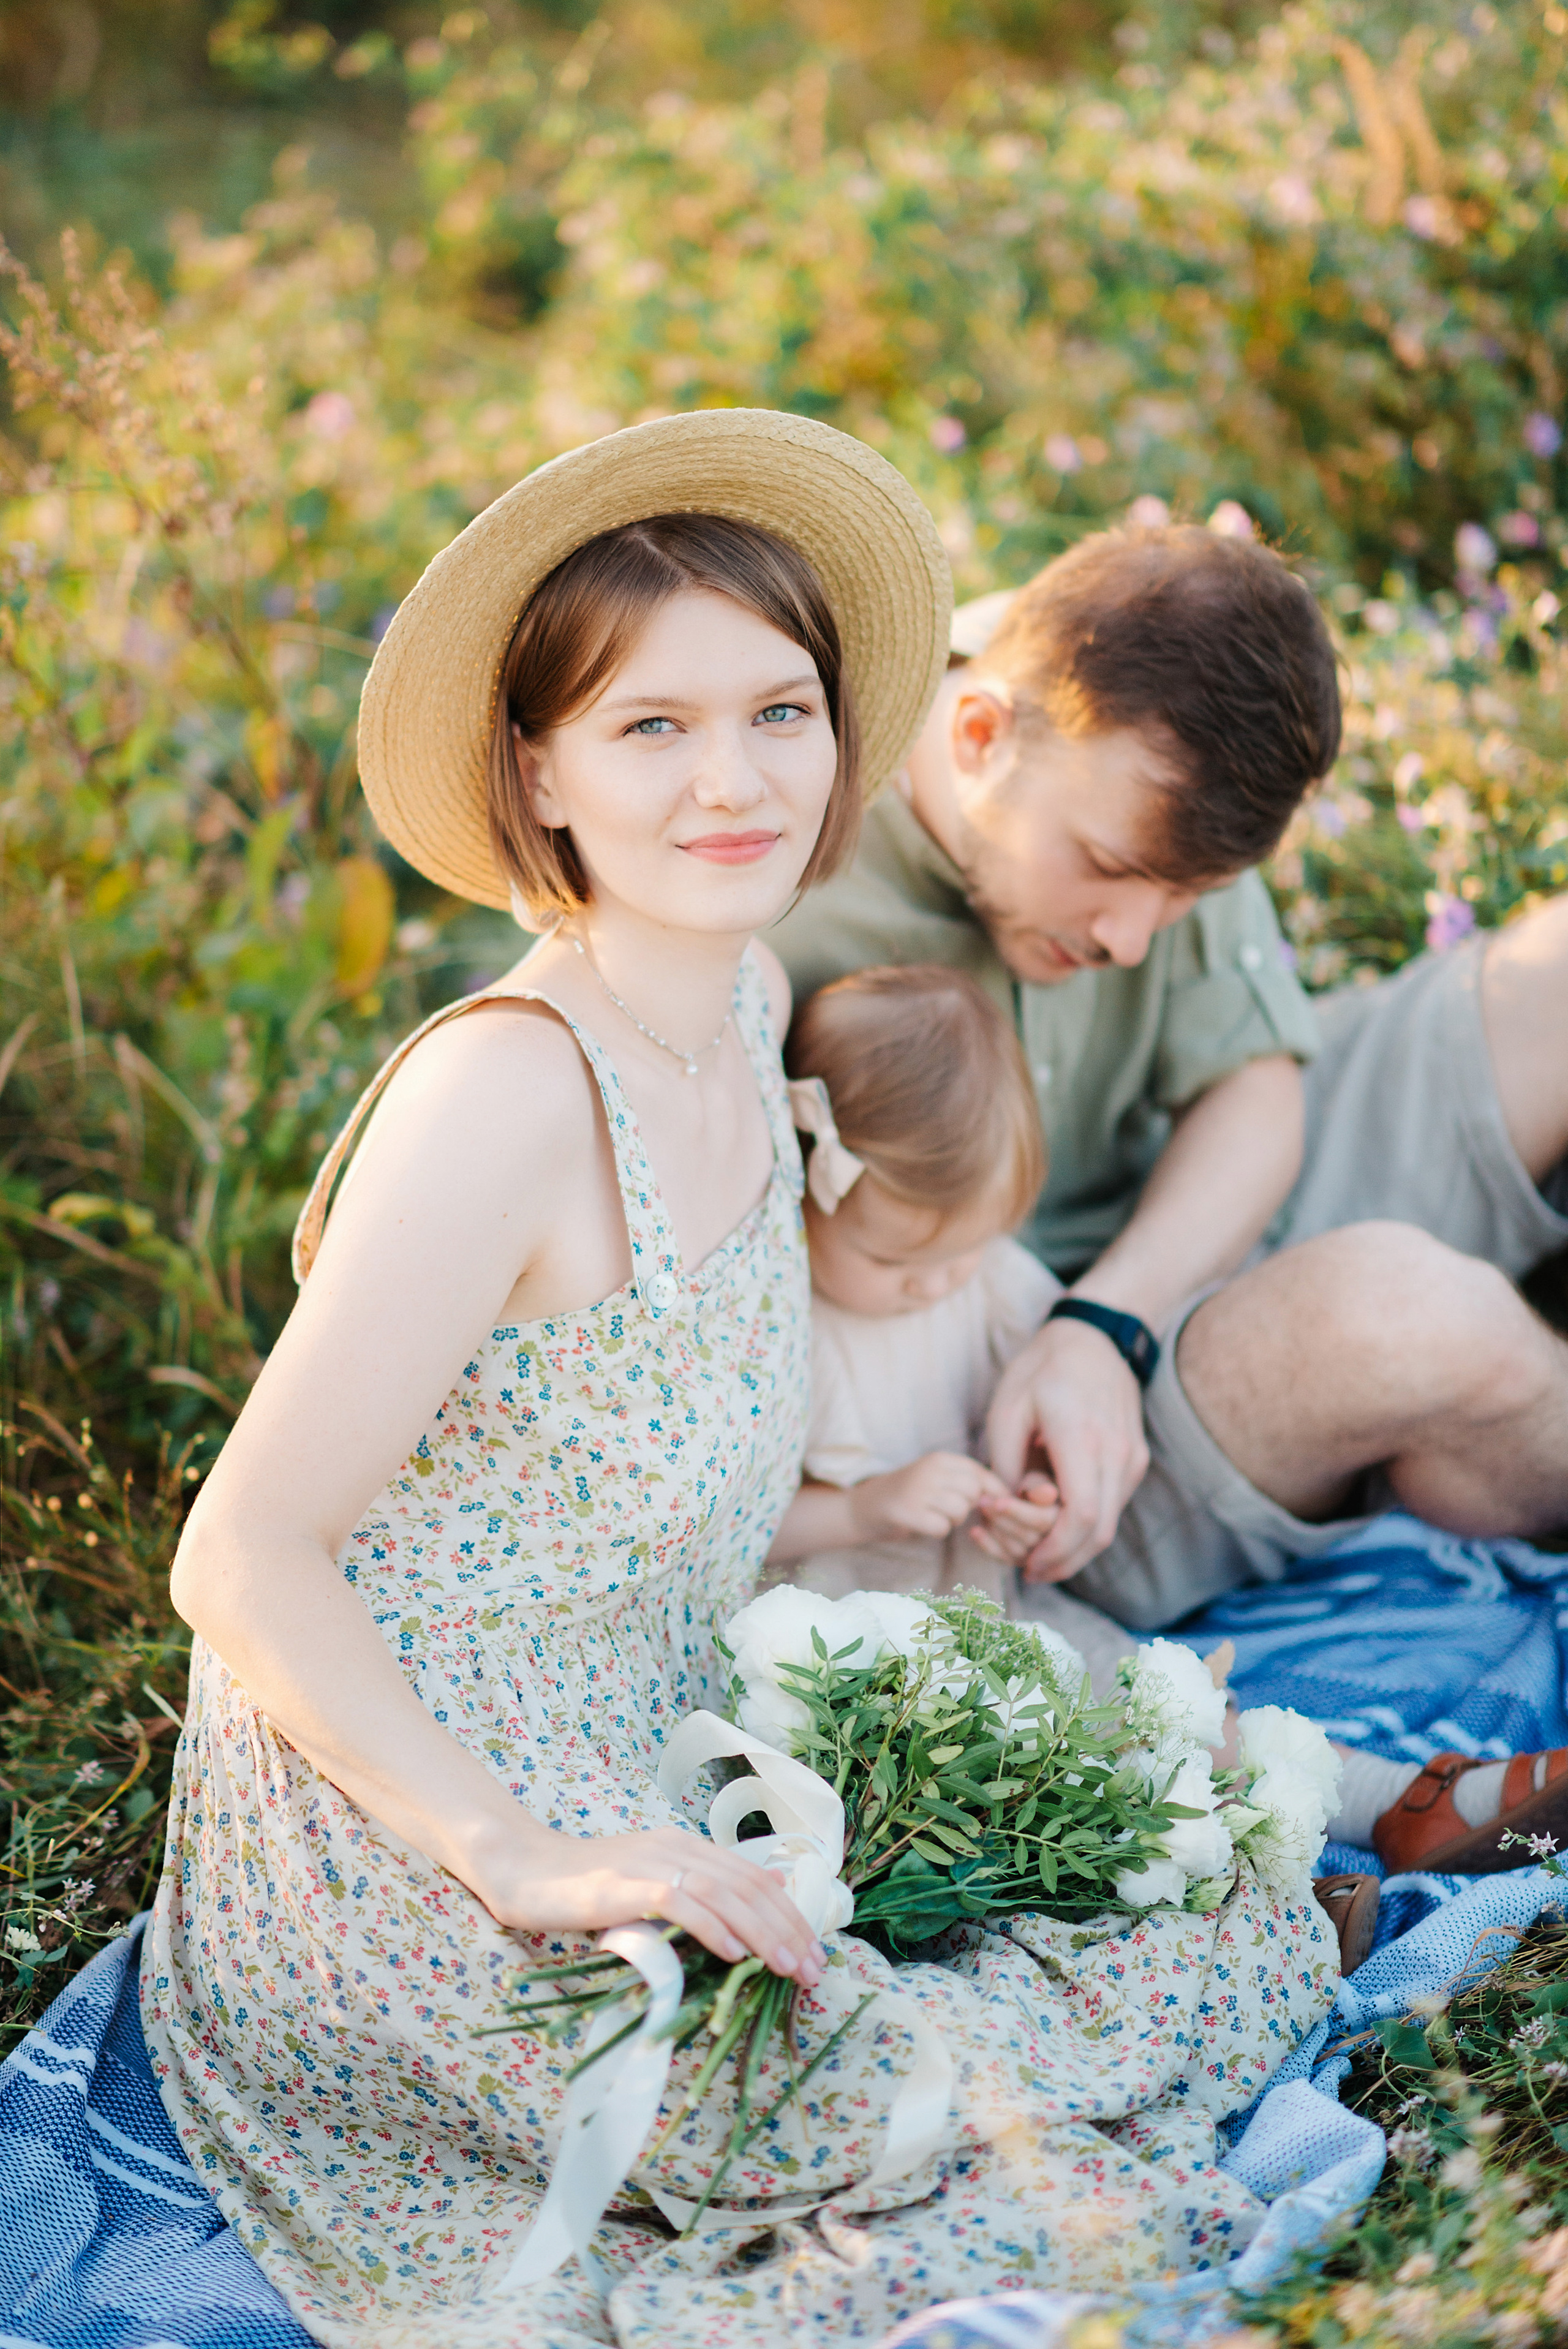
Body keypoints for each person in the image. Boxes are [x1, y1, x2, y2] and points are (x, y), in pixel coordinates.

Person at [136, 413, 1341, 2348]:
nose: (736, 779)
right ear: (538, 766)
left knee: (1209, 1926)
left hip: (656, 1715)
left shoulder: (761, 1009)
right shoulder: (505, 1091)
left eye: (780, 711)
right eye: (652, 729)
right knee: (918, 2126)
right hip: (406, 1816)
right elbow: (245, 1554)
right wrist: (512, 1850)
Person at [769, 522, 1568, 1643]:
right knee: (1421, 1313)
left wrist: (1109, 1322)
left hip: (1148, 1268)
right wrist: (1082, 1345)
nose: (1135, 940)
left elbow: (1253, 1086)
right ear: (978, 733)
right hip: (1037, 1430)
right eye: (1106, 870)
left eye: (1188, 894)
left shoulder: (1134, 708)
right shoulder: (780, 857)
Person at [769, 962, 1568, 1880]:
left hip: (1003, 1606)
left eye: (961, 1251)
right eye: (896, 1258)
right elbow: (745, 1527)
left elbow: (1036, 1413)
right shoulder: (792, 1333)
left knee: (1167, 1706)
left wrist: (1033, 1495)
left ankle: (1395, 1801)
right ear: (807, 1183)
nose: (933, 1284)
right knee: (1052, 1778)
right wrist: (870, 1508)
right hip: (861, 1663)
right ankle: (1272, 1896)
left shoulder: (979, 1281)